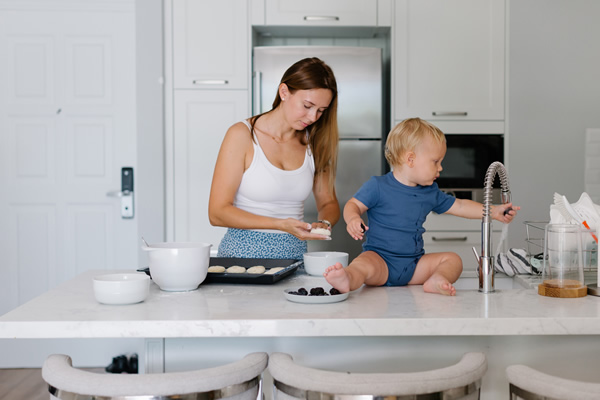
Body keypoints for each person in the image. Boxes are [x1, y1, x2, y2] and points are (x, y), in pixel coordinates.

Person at [324, 118, 520, 296]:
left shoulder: (430, 192)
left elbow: (459, 206)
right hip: (380, 260)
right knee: (362, 266)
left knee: (453, 260)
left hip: (415, 265)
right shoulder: (378, 186)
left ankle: (436, 280)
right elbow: (353, 205)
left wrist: (493, 211)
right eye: (436, 162)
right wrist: (353, 218)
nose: (440, 168)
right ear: (410, 159)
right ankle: (347, 278)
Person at [208, 57, 340, 259]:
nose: (313, 117)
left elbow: (328, 203)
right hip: (241, 259)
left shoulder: (315, 143)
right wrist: (280, 224)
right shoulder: (242, 135)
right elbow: (217, 212)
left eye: (321, 111)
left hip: (294, 260)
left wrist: (325, 223)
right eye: (307, 106)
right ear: (284, 92)